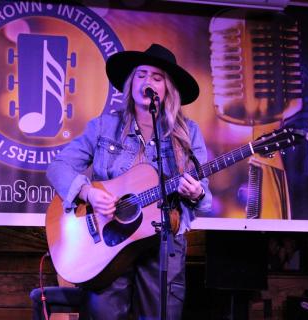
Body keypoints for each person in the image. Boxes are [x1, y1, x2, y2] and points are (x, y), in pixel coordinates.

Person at [46, 43, 212, 319]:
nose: (148, 81)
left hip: (162, 242)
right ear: (131, 82)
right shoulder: (104, 126)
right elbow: (58, 167)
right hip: (109, 242)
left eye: (157, 78)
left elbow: (205, 199)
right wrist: (87, 193)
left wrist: (195, 194)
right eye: (141, 74)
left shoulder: (187, 133)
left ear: (168, 88)